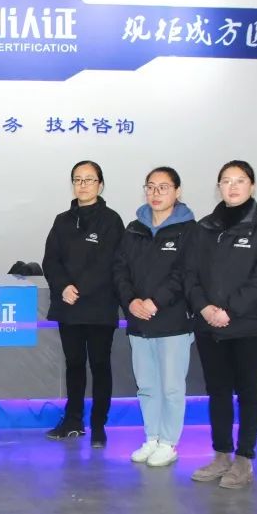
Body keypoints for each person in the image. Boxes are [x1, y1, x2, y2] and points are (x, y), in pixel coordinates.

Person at [186, 160, 257, 489]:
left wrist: (229, 310)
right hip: (209, 326)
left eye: (240, 180)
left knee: (248, 392)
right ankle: (221, 454)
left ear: (252, 186)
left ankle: (244, 459)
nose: (233, 186)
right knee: (218, 393)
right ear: (219, 187)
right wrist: (205, 308)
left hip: (249, 326)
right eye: (226, 181)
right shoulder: (204, 227)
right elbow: (190, 274)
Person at [114, 167, 196, 467]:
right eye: (150, 187)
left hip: (172, 322)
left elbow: (185, 274)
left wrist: (155, 301)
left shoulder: (189, 230)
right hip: (139, 321)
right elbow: (120, 269)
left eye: (163, 187)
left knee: (171, 387)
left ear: (177, 191)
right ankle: (152, 437)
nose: (156, 193)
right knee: (147, 386)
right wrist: (131, 301)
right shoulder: (133, 229)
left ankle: (169, 442)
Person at [42, 160, 124, 447]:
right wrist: (64, 287)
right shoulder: (62, 220)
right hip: (69, 306)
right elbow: (50, 260)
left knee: (100, 365)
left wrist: (80, 289)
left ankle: (99, 425)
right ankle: (73, 420)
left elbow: (111, 263)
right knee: (74, 364)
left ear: (100, 185)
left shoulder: (111, 221)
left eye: (89, 179)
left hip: (99, 306)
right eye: (78, 179)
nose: (83, 185)